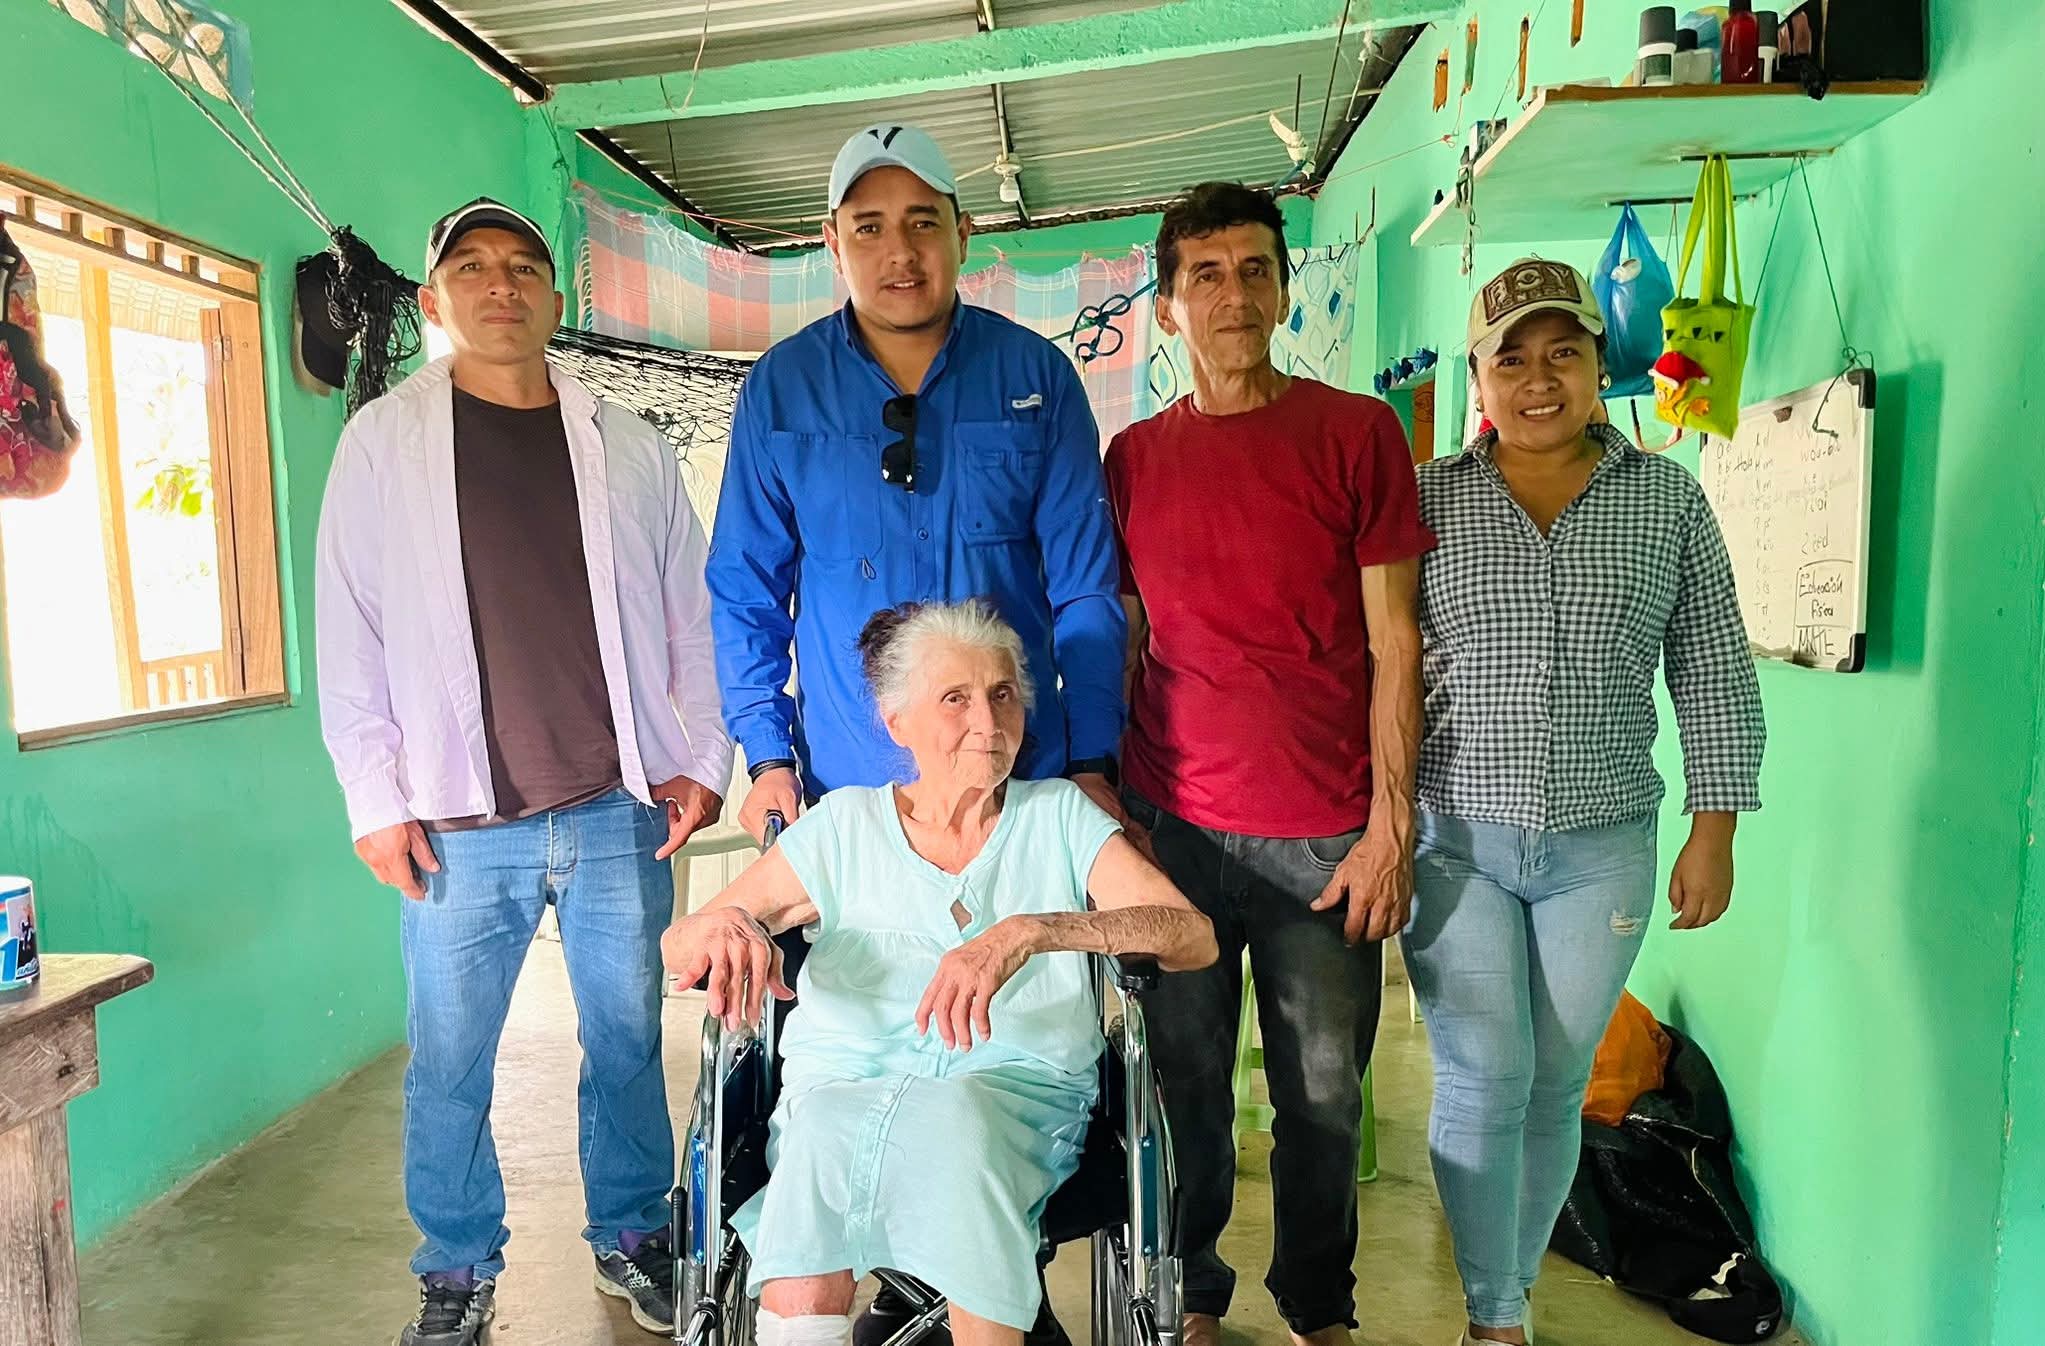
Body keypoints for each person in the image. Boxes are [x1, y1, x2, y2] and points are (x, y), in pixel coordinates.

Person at [315, 197, 732, 1346]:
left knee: (627, 1039)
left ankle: (632, 1233)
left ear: (555, 299)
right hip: (455, 821)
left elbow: (690, 614)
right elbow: (348, 632)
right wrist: (373, 800)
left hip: (614, 805)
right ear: (433, 299)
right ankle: (456, 1264)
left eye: (522, 266)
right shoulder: (382, 443)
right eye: (472, 266)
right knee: (449, 1057)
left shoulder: (627, 444)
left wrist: (700, 758)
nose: (499, 283)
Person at [661, 599, 1217, 1346]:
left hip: (1009, 1095)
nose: (988, 721)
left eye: (1002, 694)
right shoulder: (843, 827)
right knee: (819, 1140)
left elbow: (1191, 934)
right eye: (955, 698)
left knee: (955, 1127)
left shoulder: (1057, 817)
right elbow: (679, 946)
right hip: (842, 1091)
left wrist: (1035, 931)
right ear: (898, 724)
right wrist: (721, 927)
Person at [1406, 258, 1765, 1346]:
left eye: (1561, 352)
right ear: (1477, 377)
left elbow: (1711, 666)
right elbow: (1370, 661)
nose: (1537, 379)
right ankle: (1493, 1315)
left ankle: (1504, 1299)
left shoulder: (1666, 498)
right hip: (1452, 838)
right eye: (1509, 358)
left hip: (1602, 846)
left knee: (1556, 1085)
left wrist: (1713, 831)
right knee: (1485, 1075)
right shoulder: (1424, 498)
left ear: (1597, 366)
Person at [1102, 182, 1435, 1346]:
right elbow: (1123, 640)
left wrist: (1390, 829)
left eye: (1254, 270)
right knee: (1183, 1088)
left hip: (1326, 837)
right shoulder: (1131, 459)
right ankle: (1192, 1293)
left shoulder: (1355, 433)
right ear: (1166, 307)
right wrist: (1112, 813)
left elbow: (1396, 644)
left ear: (1285, 290)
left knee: (1324, 1101)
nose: (1233, 294)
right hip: (1176, 831)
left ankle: (1317, 1305)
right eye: (1205, 274)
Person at [707, 121, 1127, 841]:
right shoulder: (781, 389)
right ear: (833, 243)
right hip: (852, 785)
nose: (899, 252)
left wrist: (1092, 757)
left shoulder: (1037, 378)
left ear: (963, 234)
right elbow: (747, 591)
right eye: (868, 228)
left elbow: (1085, 587)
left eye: (923, 222)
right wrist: (768, 756)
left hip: (1017, 782)